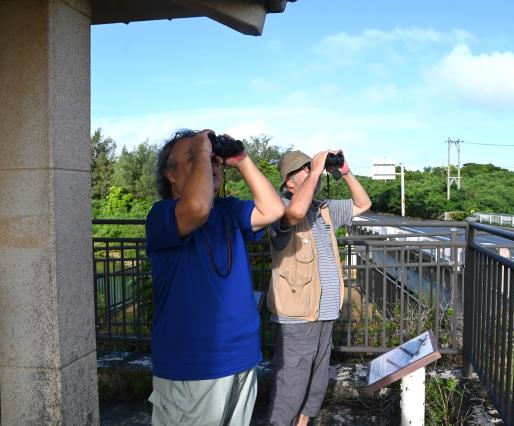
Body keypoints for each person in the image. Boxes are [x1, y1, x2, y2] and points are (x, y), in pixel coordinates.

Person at [145, 129, 285, 425]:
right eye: (194, 158)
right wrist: (204, 151)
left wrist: (242, 159)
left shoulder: (229, 210)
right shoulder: (162, 215)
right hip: (192, 365)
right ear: (171, 174)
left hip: (241, 357)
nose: (211, 166)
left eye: (215, 162)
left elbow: (273, 209)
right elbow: (196, 207)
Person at [265, 149, 372, 426]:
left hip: (325, 311)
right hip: (298, 314)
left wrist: (345, 172)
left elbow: (363, 204)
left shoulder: (322, 209)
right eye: (303, 170)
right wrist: (316, 170)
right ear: (288, 182)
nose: (311, 171)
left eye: (310, 168)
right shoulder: (280, 208)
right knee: (291, 385)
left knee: (316, 381)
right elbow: (295, 212)